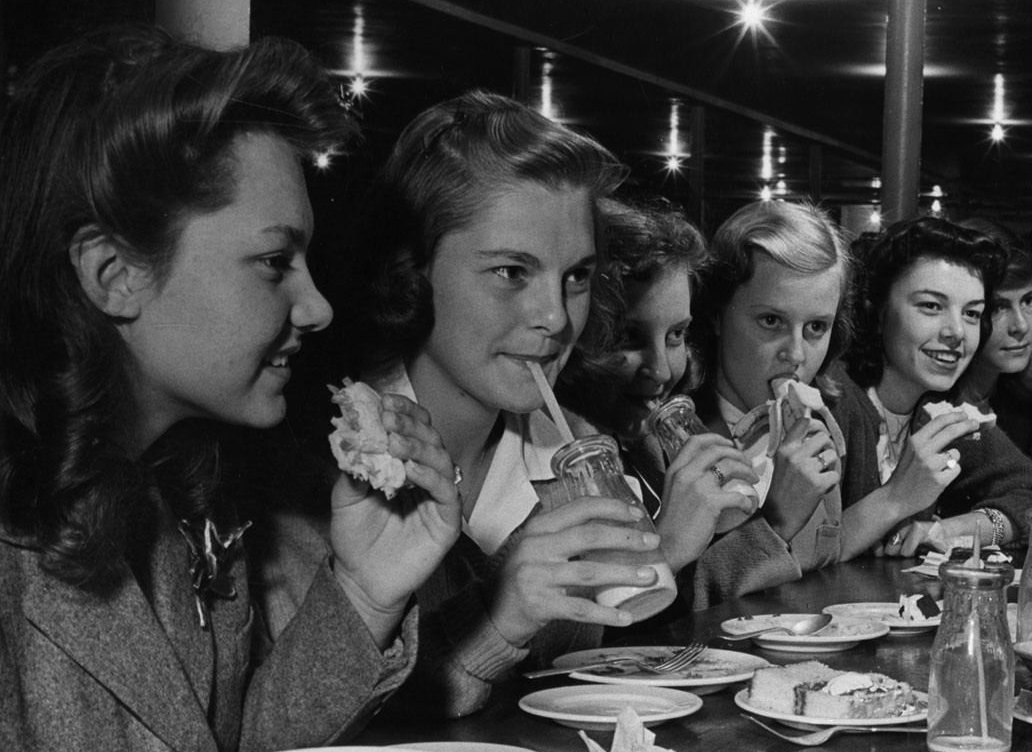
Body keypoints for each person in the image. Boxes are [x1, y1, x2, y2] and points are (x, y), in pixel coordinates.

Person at [0, 26, 463, 752]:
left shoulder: (184, 491)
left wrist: (364, 594)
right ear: (115, 275)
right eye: (274, 263)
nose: (317, 308)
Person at [323, 91, 736, 718]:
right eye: (512, 271)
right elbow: (317, 736)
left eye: (576, 277)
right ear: (412, 273)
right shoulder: (330, 459)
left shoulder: (576, 448)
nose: (554, 318)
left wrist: (664, 551)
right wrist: (501, 616)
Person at [556, 197, 773, 611]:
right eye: (628, 338)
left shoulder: (647, 446)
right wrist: (666, 547)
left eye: (676, 336)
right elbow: (566, 646)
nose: (660, 369)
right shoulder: (559, 465)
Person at [829, 217, 1032, 558]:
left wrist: (949, 529)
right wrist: (897, 497)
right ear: (877, 309)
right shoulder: (834, 396)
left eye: (972, 314)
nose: (956, 331)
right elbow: (795, 556)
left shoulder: (941, 408)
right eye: (931, 306)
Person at [689, 200, 852, 572]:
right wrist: (778, 521)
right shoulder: (671, 441)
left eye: (816, 328)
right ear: (717, 314)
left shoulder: (822, 429)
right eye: (771, 321)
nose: (795, 354)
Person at [953, 220, 1032, 453]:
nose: (1020, 326)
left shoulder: (1028, 396)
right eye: (998, 307)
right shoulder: (936, 405)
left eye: (1028, 301)